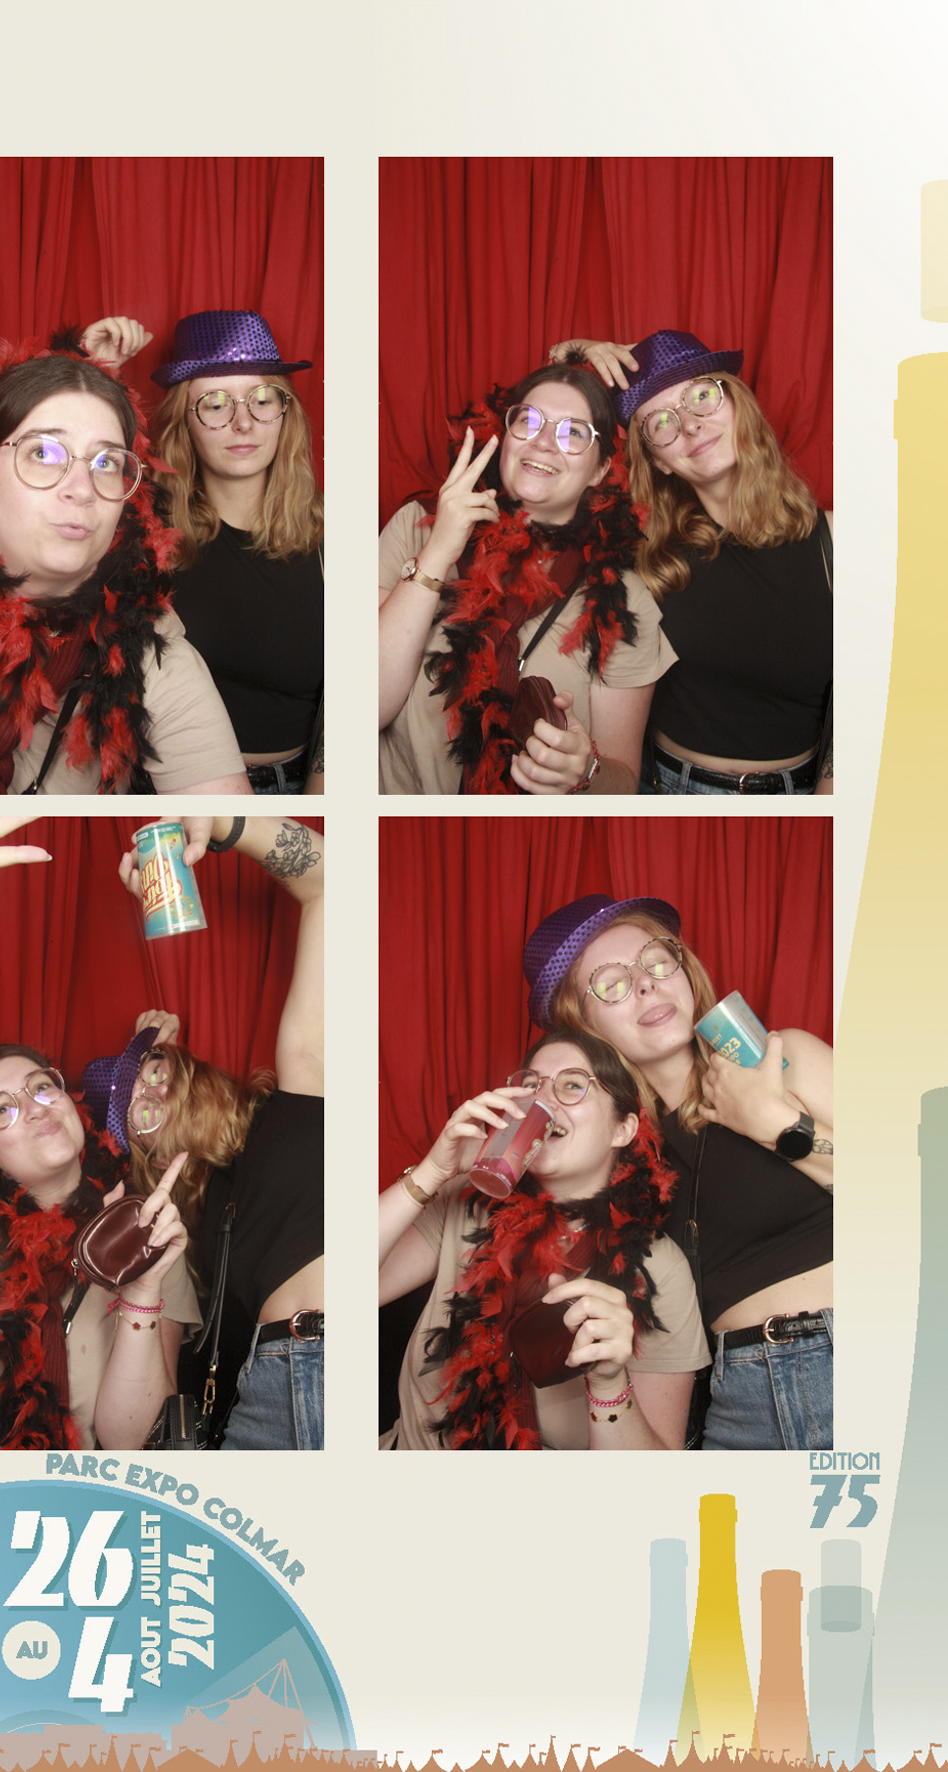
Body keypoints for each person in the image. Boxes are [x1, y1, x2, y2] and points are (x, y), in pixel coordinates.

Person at [0, 815, 199, 1451]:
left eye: (41, 1087)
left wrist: (141, 1289)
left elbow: (129, 1442)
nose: (30, 1107)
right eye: (0, 1109)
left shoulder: (146, 1229)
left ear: (71, 1102)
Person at [0, 331, 252, 795]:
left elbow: (230, 811)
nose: (82, 488)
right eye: (43, 453)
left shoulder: (149, 644)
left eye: (106, 463)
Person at [524, 893, 833, 1451]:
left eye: (656, 961)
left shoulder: (780, 1059)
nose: (645, 984)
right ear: (583, 1026)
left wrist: (776, 1123)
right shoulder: (613, 1154)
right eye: (611, 983)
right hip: (738, 1400)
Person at [82, 815, 324, 1450]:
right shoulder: (200, 1224)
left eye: (156, 1072)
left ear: (188, 1064)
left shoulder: (300, 1097)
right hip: (261, 1398)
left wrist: (228, 824)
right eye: (136, 1112)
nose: (151, 1094)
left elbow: (334, 883)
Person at [379, 1028, 708, 1449]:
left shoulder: (661, 1268)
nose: (543, 1101)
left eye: (572, 1085)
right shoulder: (466, 1201)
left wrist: (609, 1384)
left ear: (623, 1129)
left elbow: (651, 1476)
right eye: (531, 1086)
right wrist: (432, 1172)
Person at [552, 331, 833, 795]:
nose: (689, 425)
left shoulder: (836, 542)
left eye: (701, 396)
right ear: (657, 461)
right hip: (667, 792)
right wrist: (573, 360)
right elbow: (528, 471)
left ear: (737, 403)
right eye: (661, 421)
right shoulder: (641, 550)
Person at [378, 360, 677, 795]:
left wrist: (586, 771)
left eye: (573, 433)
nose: (543, 442)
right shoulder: (416, 528)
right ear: (505, 436)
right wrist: (438, 552)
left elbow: (623, 782)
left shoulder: (620, 598)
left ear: (599, 469)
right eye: (529, 420)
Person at [81, 312, 324, 794]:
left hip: (298, 788)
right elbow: (63, 477)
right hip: (165, 789)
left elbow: (351, 691)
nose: (243, 423)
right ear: (184, 422)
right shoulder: (143, 528)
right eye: (215, 404)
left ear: (285, 413)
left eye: (262, 400)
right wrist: (90, 372)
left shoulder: (332, 539)